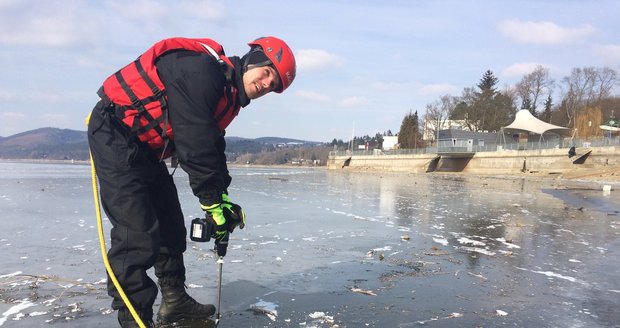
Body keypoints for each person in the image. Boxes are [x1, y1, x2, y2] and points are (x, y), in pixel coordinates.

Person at [87, 36, 296, 327]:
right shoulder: (203, 72)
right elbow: (194, 141)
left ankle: (174, 301)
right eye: (268, 73)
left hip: (148, 148)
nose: (266, 84)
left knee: (170, 223)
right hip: (115, 133)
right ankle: (135, 319)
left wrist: (222, 198)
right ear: (254, 60)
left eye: (273, 86)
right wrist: (210, 201)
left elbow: (211, 145)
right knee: (136, 235)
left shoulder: (228, 94)